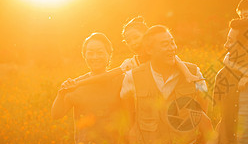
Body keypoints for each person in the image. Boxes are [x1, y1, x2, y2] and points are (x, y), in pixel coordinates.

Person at [120, 25, 217, 144]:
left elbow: (204, 111)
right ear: (149, 49)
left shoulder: (194, 73)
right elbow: (132, 125)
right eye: (165, 44)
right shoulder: (132, 78)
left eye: (172, 42)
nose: (172, 48)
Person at [51, 33, 131, 144]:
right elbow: (56, 114)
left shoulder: (122, 79)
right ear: (85, 55)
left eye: (100, 52)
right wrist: (61, 93)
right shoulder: (78, 84)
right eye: (91, 52)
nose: (95, 57)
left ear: (109, 54)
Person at [63, 16, 201, 90]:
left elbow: (178, 62)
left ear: (147, 35)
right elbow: (106, 76)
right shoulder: (132, 63)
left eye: (136, 37)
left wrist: (189, 75)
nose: (133, 43)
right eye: (128, 41)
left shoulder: (162, 54)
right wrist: (77, 82)